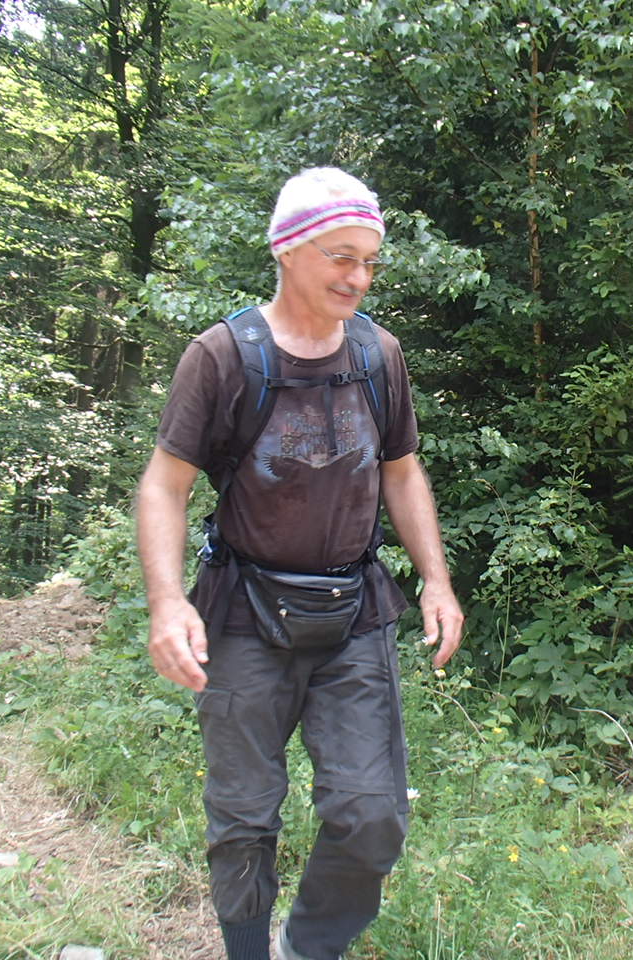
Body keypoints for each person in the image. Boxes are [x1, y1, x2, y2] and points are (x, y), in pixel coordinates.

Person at [136, 167, 464, 960]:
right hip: (244, 612)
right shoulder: (221, 357)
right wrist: (166, 601)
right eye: (339, 256)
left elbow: (402, 471)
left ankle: (307, 948)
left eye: (370, 261)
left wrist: (437, 579)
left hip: (354, 613)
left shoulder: (378, 354)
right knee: (245, 814)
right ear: (288, 251)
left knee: (372, 812)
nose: (358, 276)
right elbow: (165, 484)